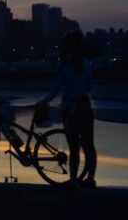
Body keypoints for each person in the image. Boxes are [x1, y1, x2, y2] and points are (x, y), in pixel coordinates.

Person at [35, 31, 97, 188]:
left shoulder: (64, 67)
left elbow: (56, 89)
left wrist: (43, 101)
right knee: (89, 145)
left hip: (70, 109)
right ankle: (90, 178)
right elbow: (89, 88)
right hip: (85, 107)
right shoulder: (88, 65)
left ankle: (74, 179)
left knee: (74, 147)